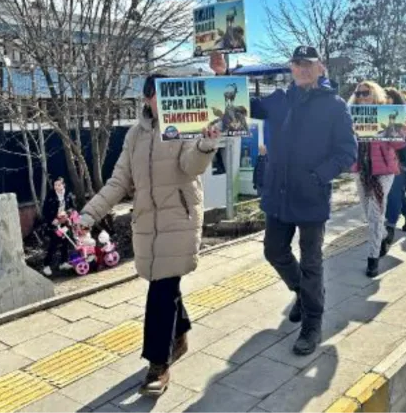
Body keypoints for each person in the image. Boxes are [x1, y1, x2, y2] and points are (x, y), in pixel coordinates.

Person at [79, 74, 221, 397]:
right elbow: (118, 182)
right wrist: (89, 214)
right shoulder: (134, 136)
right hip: (147, 225)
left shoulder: (184, 125)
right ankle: (180, 332)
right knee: (165, 284)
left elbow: (191, 165)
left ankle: (158, 363)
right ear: (146, 98)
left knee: (161, 290)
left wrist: (205, 144)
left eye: (166, 91)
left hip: (179, 222)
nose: (160, 98)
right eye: (154, 93)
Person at [211, 47, 356, 356]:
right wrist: (223, 75)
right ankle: (303, 295)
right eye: (298, 64)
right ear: (292, 68)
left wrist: (320, 175)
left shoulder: (334, 106)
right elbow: (244, 106)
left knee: (312, 261)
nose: (302, 69)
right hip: (278, 193)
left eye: (309, 65)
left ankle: (312, 324)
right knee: (273, 250)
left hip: (311, 196)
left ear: (321, 68)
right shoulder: (279, 99)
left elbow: (348, 151)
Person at [348, 82, 406, 277]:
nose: (362, 96)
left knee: (375, 214)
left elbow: (396, 145)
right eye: (358, 93)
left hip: (383, 170)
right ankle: (382, 236)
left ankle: (372, 259)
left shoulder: (386, 114)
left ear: (374, 94)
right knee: (369, 213)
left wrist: (404, 133)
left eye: (366, 93)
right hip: (361, 170)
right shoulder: (351, 115)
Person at [383, 88, 406, 236]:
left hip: (401, 161)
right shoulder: (379, 115)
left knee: (393, 193)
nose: (385, 99)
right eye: (384, 97)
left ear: (395, 99)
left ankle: (390, 225)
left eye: (388, 97)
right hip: (384, 160)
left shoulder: (405, 116)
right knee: (396, 191)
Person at [41, 177, 77, 277]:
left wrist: (67, 213)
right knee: (54, 242)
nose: (57, 187)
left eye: (59, 185)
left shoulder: (68, 194)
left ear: (63, 185)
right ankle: (46, 265)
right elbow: (45, 211)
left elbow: (72, 207)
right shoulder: (50, 196)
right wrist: (53, 219)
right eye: (55, 185)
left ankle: (63, 262)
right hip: (53, 223)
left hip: (64, 221)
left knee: (66, 240)